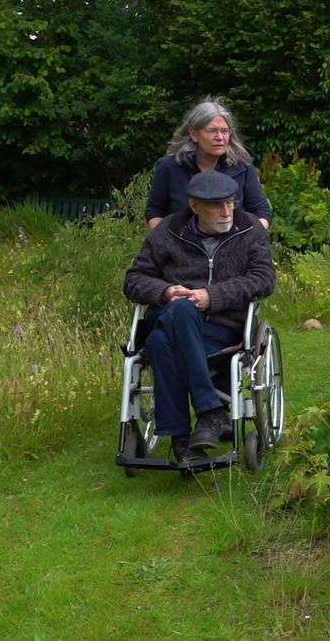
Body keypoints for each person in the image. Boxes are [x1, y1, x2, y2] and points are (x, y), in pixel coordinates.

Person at [124, 170, 276, 461]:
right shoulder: (167, 232)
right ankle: (211, 412)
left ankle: (180, 438)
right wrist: (167, 291)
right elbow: (134, 280)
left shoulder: (249, 230)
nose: (227, 211)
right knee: (180, 310)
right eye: (217, 205)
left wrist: (212, 297)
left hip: (222, 326)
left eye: (231, 203)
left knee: (158, 344)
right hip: (170, 313)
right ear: (195, 207)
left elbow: (263, 279)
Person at [146, 97, 272, 230]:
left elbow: (261, 212)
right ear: (194, 134)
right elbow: (155, 211)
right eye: (212, 130)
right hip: (180, 246)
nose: (220, 137)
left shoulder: (242, 166)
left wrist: (247, 241)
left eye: (224, 131)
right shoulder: (170, 167)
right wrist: (166, 242)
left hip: (233, 246)